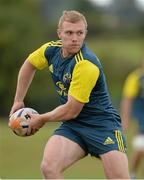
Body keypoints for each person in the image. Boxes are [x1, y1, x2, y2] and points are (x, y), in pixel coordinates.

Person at [10, 10, 130, 179]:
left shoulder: (85, 64)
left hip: (103, 125)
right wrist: (18, 100)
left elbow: (71, 110)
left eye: (79, 33)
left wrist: (40, 119)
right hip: (73, 126)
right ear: (60, 33)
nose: (75, 38)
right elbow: (29, 65)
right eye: (69, 33)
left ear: (85, 34)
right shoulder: (51, 50)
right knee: (49, 167)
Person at [121, 61, 144, 179]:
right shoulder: (136, 78)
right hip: (142, 123)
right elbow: (127, 100)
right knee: (140, 149)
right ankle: (133, 174)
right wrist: (125, 121)